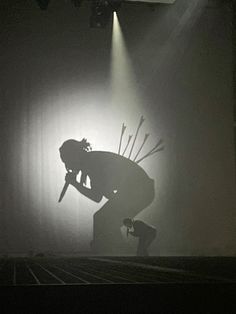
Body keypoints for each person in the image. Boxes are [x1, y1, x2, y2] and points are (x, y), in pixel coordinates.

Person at [59, 138, 155, 254]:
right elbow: (104, 195)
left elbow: (96, 197)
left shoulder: (93, 163)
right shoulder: (92, 160)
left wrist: (75, 184)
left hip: (140, 189)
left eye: (67, 161)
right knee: (108, 219)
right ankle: (140, 236)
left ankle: (114, 250)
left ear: (74, 156)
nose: (67, 166)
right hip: (141, 189)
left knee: (102, 218)